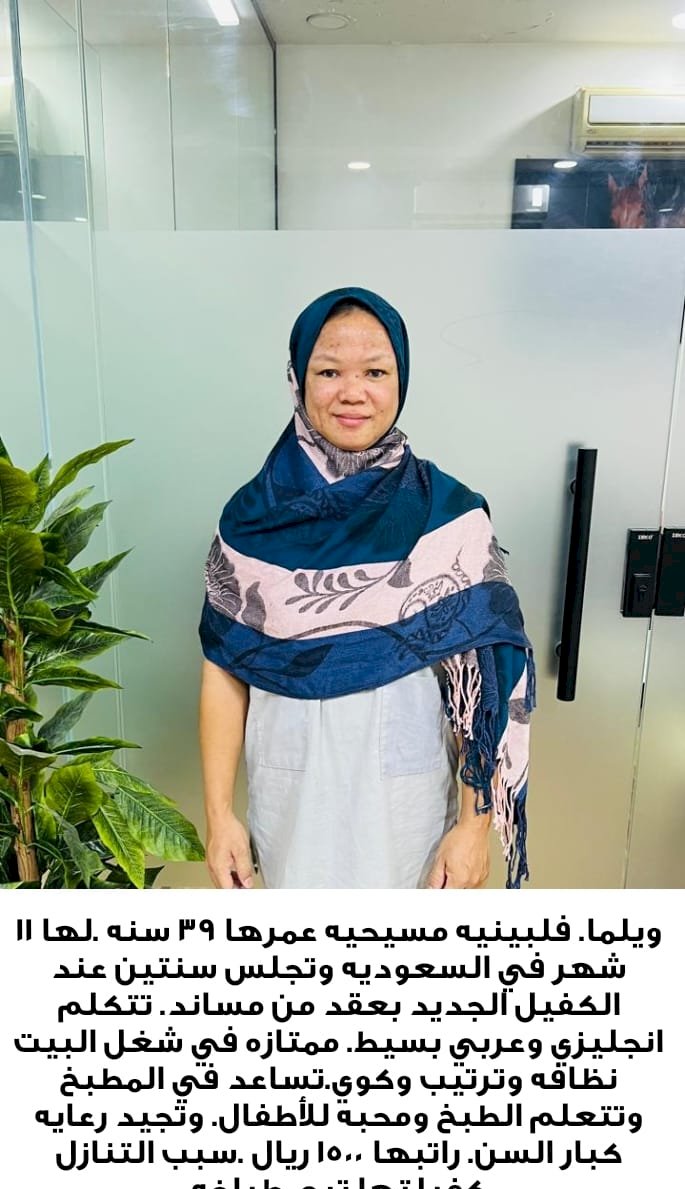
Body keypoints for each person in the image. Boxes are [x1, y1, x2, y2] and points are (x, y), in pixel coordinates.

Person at [198, 286, 534, 891]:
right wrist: (220, 816)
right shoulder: (250, 521)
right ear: (298, 380)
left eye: (375, 372)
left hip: (410, 814)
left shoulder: (448, 517)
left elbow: (486, 682)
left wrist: (473, 826)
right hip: (289, 805)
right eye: (329, 371)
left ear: (401, 380)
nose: (353, 392)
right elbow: (223, 672)